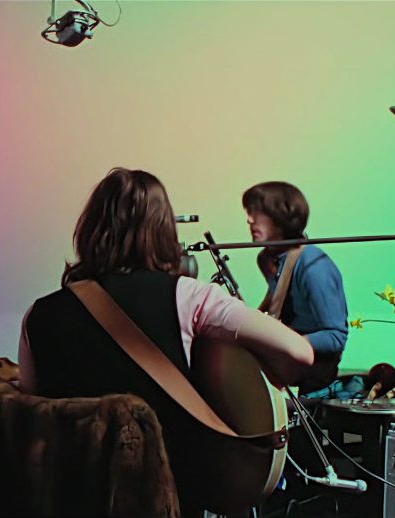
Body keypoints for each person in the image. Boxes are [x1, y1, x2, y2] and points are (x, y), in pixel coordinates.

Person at [18, 167, 314, 516]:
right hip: (162, 496)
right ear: (162, 230)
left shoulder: (39, 313)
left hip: (70, 498)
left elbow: (33, 407)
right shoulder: (188, 296)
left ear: (91, 229)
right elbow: (299, 352)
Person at [242, 181, 348, 396]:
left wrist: (287, 342)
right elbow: (280, 300)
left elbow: (336, 336)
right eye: (249, 212)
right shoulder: (267, 258)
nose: (249, 219)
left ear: (281, 217)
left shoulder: (313, 267)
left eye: (258, 213)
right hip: (287, 362)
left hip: (313, 373)